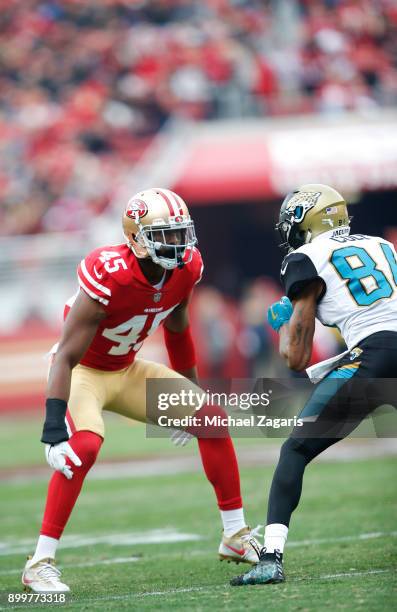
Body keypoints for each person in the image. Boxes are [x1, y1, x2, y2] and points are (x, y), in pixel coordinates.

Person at [21, 188, 259, 593]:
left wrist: (191, 396)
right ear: (136, 239)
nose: (177, 243)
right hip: (84, 372)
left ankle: (235, 536)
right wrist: (51, 429)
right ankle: (39, 563)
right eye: (165, 235)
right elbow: (64, 356)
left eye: (180, 232)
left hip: (127, 370)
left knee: (212, 419)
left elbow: (179, 330)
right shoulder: (108, 271)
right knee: (84, 448)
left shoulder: (186, 269)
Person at [231, 183, 397, 586]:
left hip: (375, 355)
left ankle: (271, 558)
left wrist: (285, 321)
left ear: (309, 220)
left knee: (296, 448)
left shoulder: (305, 257)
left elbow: (296, 358)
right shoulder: (381, 244)